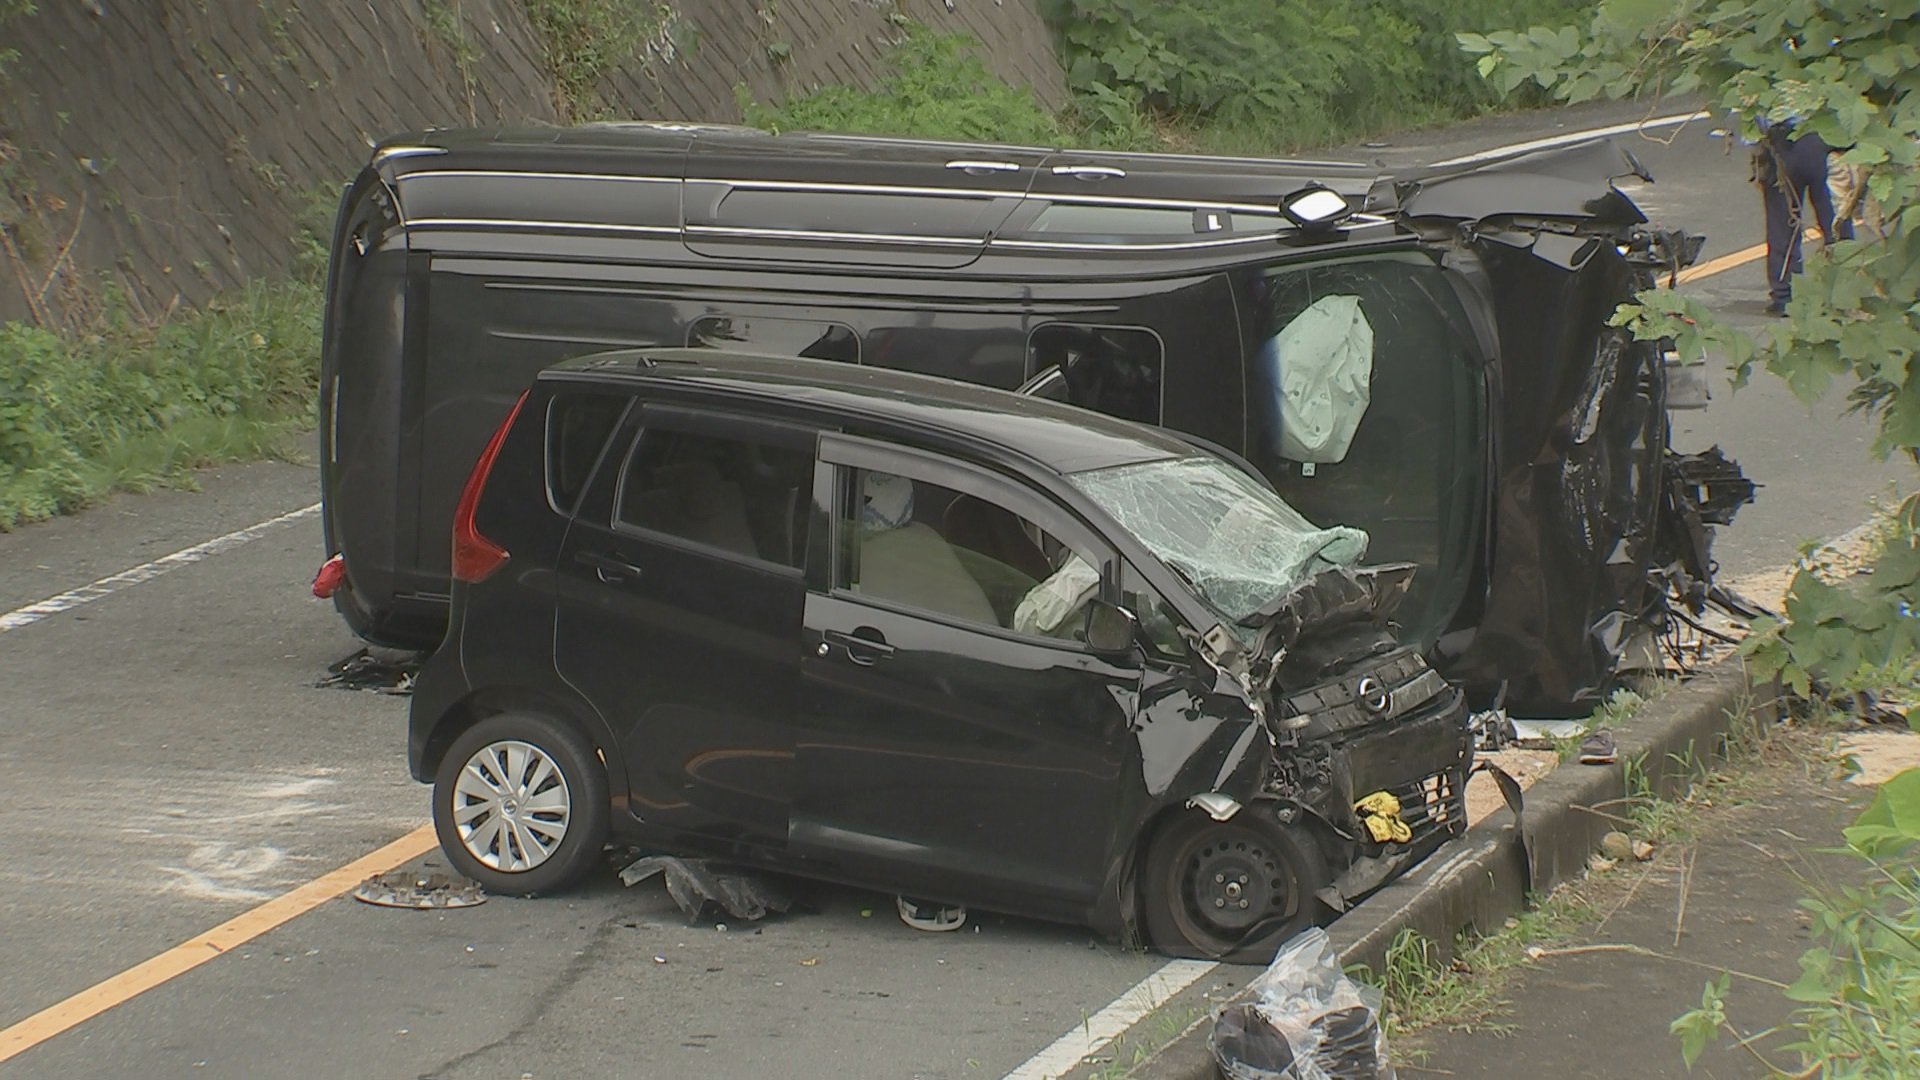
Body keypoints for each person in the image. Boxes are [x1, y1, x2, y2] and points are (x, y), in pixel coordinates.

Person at [1754, 118, 1849, 315]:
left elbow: (1752, 127)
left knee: (1782, 224)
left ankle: (1785, 296)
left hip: (1778, 144)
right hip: (1821, 137)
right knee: (1836, 220)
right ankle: (1845, 292)